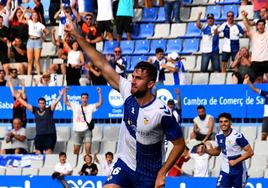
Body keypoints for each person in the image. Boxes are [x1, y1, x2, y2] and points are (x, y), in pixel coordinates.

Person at [64, 18, 185, 188]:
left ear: (150, 84)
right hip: (125, 165)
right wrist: (77, 35)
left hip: (148, 174)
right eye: (133, 77)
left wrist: (162, 173)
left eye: (139, 79)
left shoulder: (161, 113)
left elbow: (180, 145)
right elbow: (102, 63)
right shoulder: (127, 89)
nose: (133, 81)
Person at [205, 112, 254, 188]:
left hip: (239, 170)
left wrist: (235, 161)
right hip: (225, 170)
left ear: (230, 122)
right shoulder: (218, 136)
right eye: (221, 122)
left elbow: (250, 152)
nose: (223, 124)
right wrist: (205, 150)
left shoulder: (237, 136)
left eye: (226, 121)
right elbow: (217, 152)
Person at [15, 88, 64, 154]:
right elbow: (26, 104)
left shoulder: (49, 110)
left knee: (48, 152)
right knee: (37, 152)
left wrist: (60, 95)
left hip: (50, 135)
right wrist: (19, 98)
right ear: (38, 104)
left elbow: (55, 103)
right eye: (40, 103)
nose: (41, 104)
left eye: (43, 103)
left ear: (45, 104)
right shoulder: (35, 110)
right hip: (39, 135)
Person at [64, 88, 103, 155]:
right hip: (77, 131)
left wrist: (100, 93)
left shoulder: (90, 107)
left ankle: (87, 164)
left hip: (87, 130)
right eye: (83, 98)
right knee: (76, 151)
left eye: (86, 98)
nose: (84, 99)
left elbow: (100, 103)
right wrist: (65, 92)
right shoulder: (75, 106)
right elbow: (65, 102)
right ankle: (77, 164)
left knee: (88, 150)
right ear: (81, 99)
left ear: (88, 99)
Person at [20, 10, 49, 75]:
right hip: (30, 40)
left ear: (37, 17)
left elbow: (47, 32)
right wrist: (24, 12)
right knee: (29, 60)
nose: (35, 17)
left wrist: (43, 37)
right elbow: (20, 20)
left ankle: (39, 75)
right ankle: (28, 75)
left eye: (36, 15)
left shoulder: (40, 25)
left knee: (37, 60)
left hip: (37, 41)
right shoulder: (29, 22)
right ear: (32, 17)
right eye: (34, 15)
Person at [242, 11, 268, 83]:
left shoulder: (267, 34)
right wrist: (244, 16)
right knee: (258, 80)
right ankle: (258, 94)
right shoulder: (253, 34)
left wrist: (267, 18)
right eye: (259, 25)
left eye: (262, 25)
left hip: (266, 60)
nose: (261, 26)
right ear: (257, 26)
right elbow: (247, 25)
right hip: (256, 61)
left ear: (264, 26)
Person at [245, 75, 268, 140]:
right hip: (267, 118)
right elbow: (255, 89)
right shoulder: (266, 93)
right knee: (263, 136)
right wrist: (249, 81)